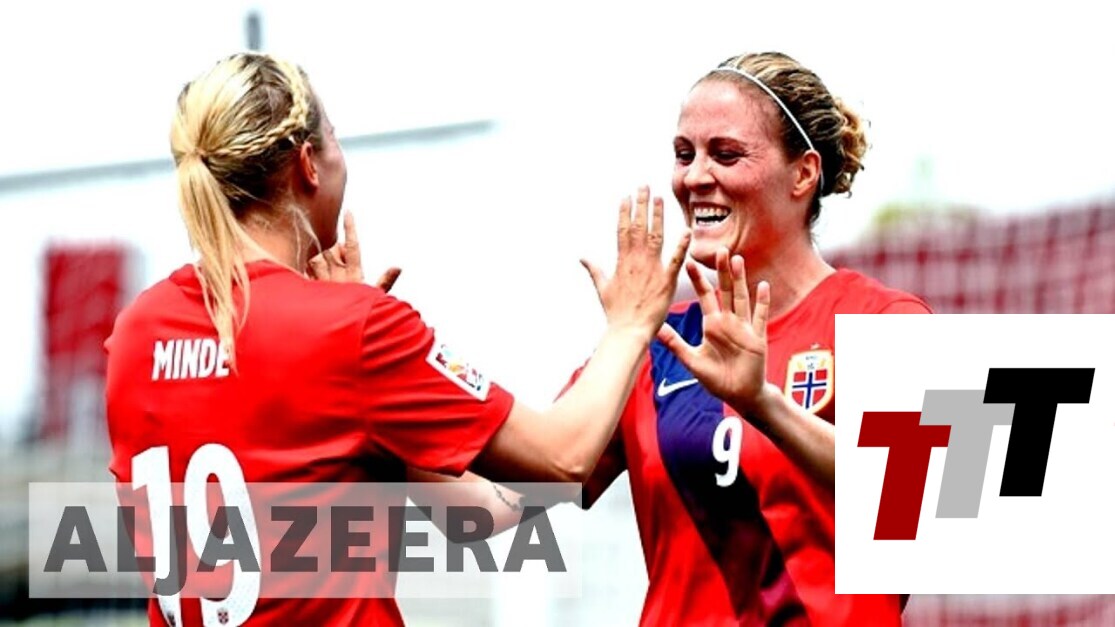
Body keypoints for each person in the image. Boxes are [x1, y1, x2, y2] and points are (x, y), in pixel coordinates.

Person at [103, 51, 689, 627]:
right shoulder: (349, 330)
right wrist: (630, 323)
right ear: (308, 164)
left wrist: (367, 395)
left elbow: (469, 517)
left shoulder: (134, 333)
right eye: (333, 137)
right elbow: (565, 457)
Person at [563, 51, 932, 626]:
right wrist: (412, 379)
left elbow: (918, 497)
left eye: (726, 154)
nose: (694, 177)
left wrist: (762, 404)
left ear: (803, 174)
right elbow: (498, 504)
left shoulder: (885, 321)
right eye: (684, 154)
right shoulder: (654, 342)